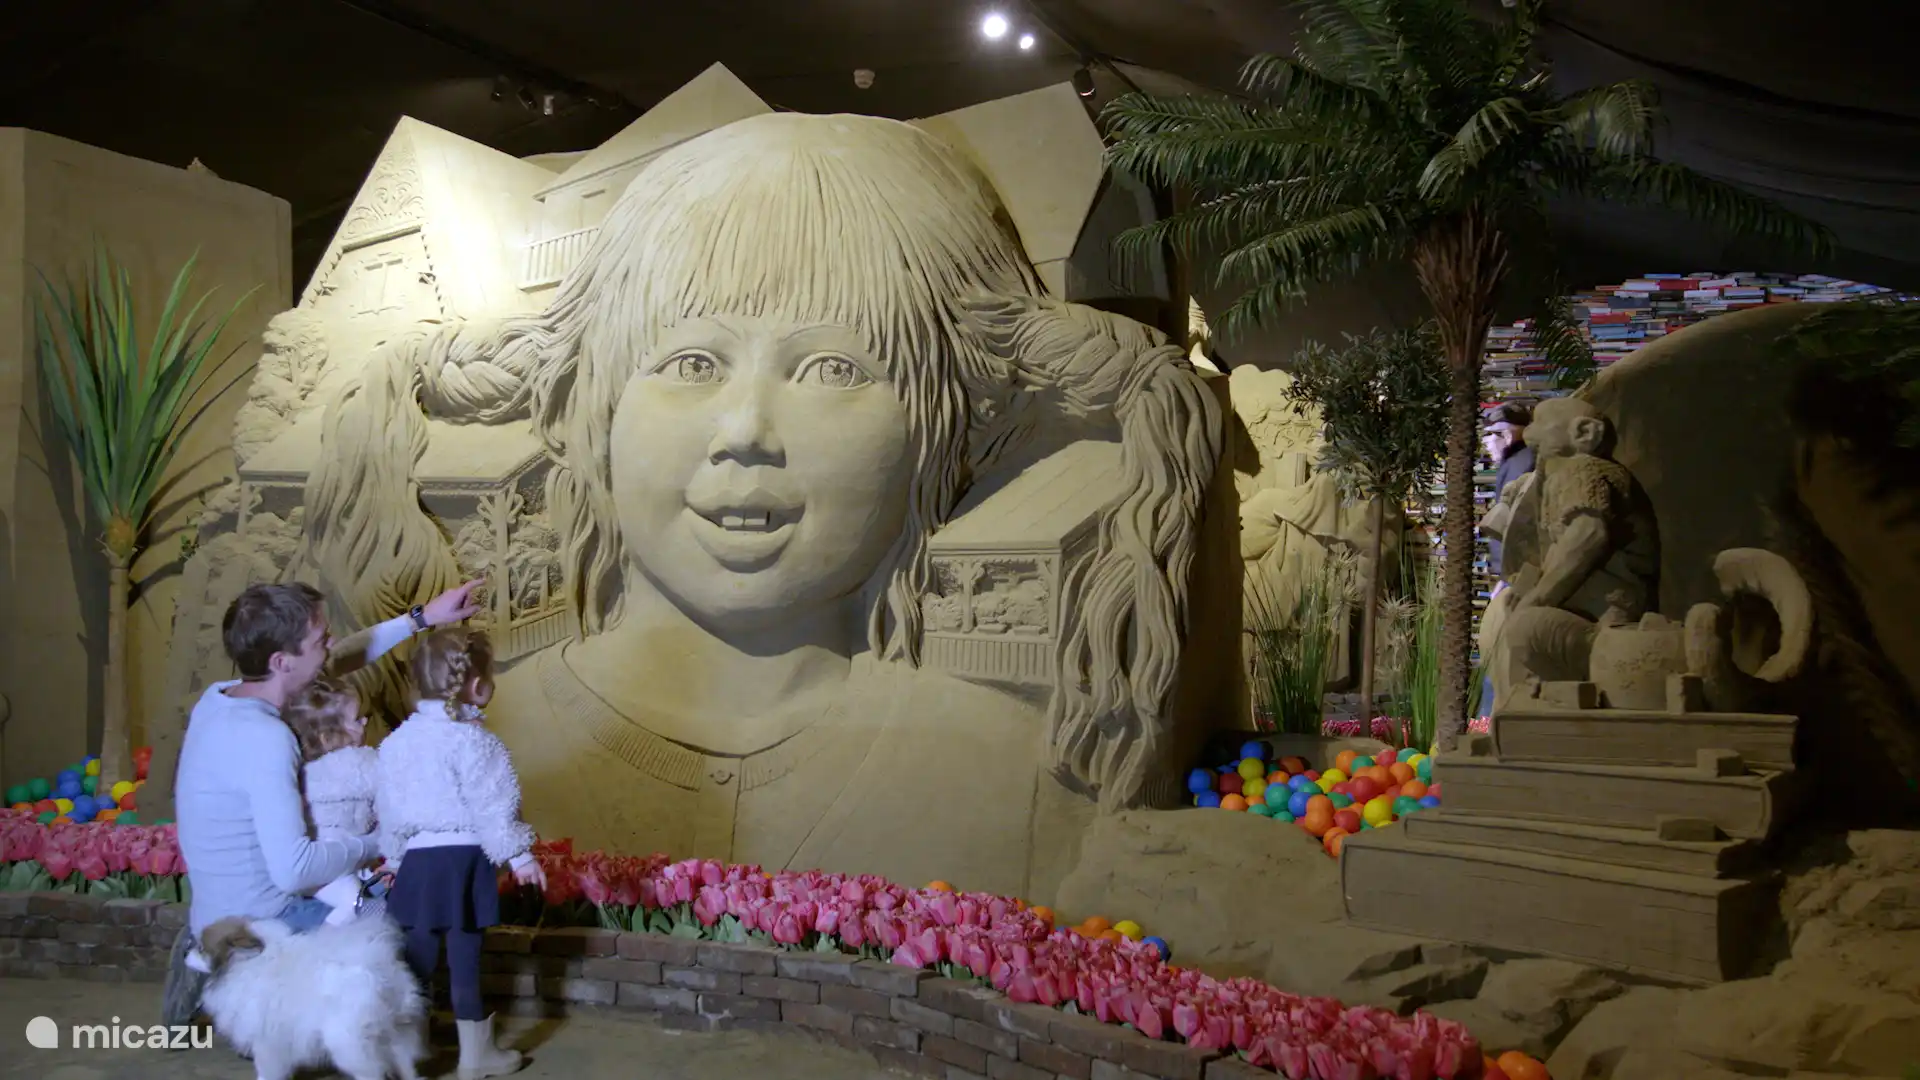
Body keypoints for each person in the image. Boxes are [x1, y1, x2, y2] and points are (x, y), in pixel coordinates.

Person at [161, 578, 483, 1027]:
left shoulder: (217, 701)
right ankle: (380, 1030)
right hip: (266, 919)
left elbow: (340, 657)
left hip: (213, 911)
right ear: (281, 661)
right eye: (319, 641)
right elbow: (295, 869)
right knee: (406, 914)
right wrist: (375, 842)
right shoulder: (267, 738)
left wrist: (422, 618)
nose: (330, 646)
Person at [378, 627, 544, 1079]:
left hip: (417, 861)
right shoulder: (476, 742)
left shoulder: (396, 744)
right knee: (465, 958)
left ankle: (409, 1049)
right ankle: (476, 1056)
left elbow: (388, 809)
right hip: (464, 860)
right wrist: (520, 857)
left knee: (416, 956)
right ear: (475, 685)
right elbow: (495, 803)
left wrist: (393, 859)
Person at [283, 678, 384, 926]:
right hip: (333, 867)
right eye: (357, 719)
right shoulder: (362, 763)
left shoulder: (299, 769)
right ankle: (325, 942)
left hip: (317, 866)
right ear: (328, 736)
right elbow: (391, 788)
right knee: (354, 901)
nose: (365, 721)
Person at [1480, 403, 1534, 715]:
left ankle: (1491, 721)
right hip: (1513, 574)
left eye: (1492, 435)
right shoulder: (1517, 463)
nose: (1486, 443)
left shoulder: (1519, 465)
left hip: (1516, 577)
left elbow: (1514, 527)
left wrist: (1505, 577)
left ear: (1508, 434)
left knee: (1498, 649)